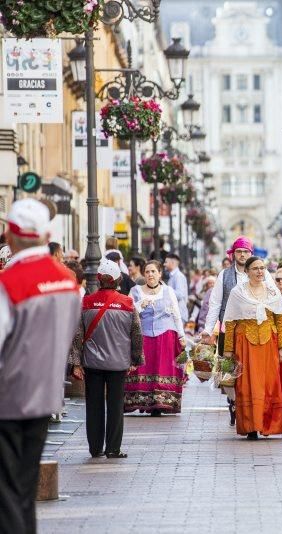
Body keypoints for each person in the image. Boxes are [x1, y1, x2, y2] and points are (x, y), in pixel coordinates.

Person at [0, 199, 81, 533]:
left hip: (8, 397)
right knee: (25, 486)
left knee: (5, 490)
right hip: (45, 395)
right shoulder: (67, 281)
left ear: (10, 234)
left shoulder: (9, 282)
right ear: (47, 234)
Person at [69, 259, 143, 459]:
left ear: (99, 279)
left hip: (92, 363)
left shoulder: (86, 302)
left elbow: (77, 334)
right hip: (118, 363)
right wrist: (136, 359)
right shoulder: (127, 303)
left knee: (93, 406)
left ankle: (95, 448)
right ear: (118, 279)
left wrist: (76, 363)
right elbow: (136, 333)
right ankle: (113, 448)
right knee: (116, 406)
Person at [223, 256, 282, 439]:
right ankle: (251, 426)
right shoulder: (238, 292)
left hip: (269, 342)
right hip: (245, 343)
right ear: (247, 271)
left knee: (268, 383)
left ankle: (267, 424)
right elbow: (230, 322)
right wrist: (228, 350)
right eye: (256, 268)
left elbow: (280, 320)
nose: (260, 271)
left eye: (262, 268)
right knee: (248, 384)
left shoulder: (272, 292)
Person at [124, 260, 187, 415]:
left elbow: (176, 315)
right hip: (143, 336)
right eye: (147, 272)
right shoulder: (136, 290)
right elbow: (127, 313)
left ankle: (159, 404)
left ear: (160, 274)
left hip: (165, 336)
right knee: (144, 368)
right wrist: (140, 305)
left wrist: (182, 336)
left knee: (161, 369)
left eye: (153, 271)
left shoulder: (168, 291)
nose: (150, 274)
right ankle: (144, 402)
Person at [165, 253, 189, 322]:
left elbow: (180, 295)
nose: (164, 264)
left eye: (166, 262)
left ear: (172, 263)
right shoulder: (173, 276)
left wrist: (166, 289)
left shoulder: (178, 276)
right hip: (175, 315)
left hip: (179, 315)